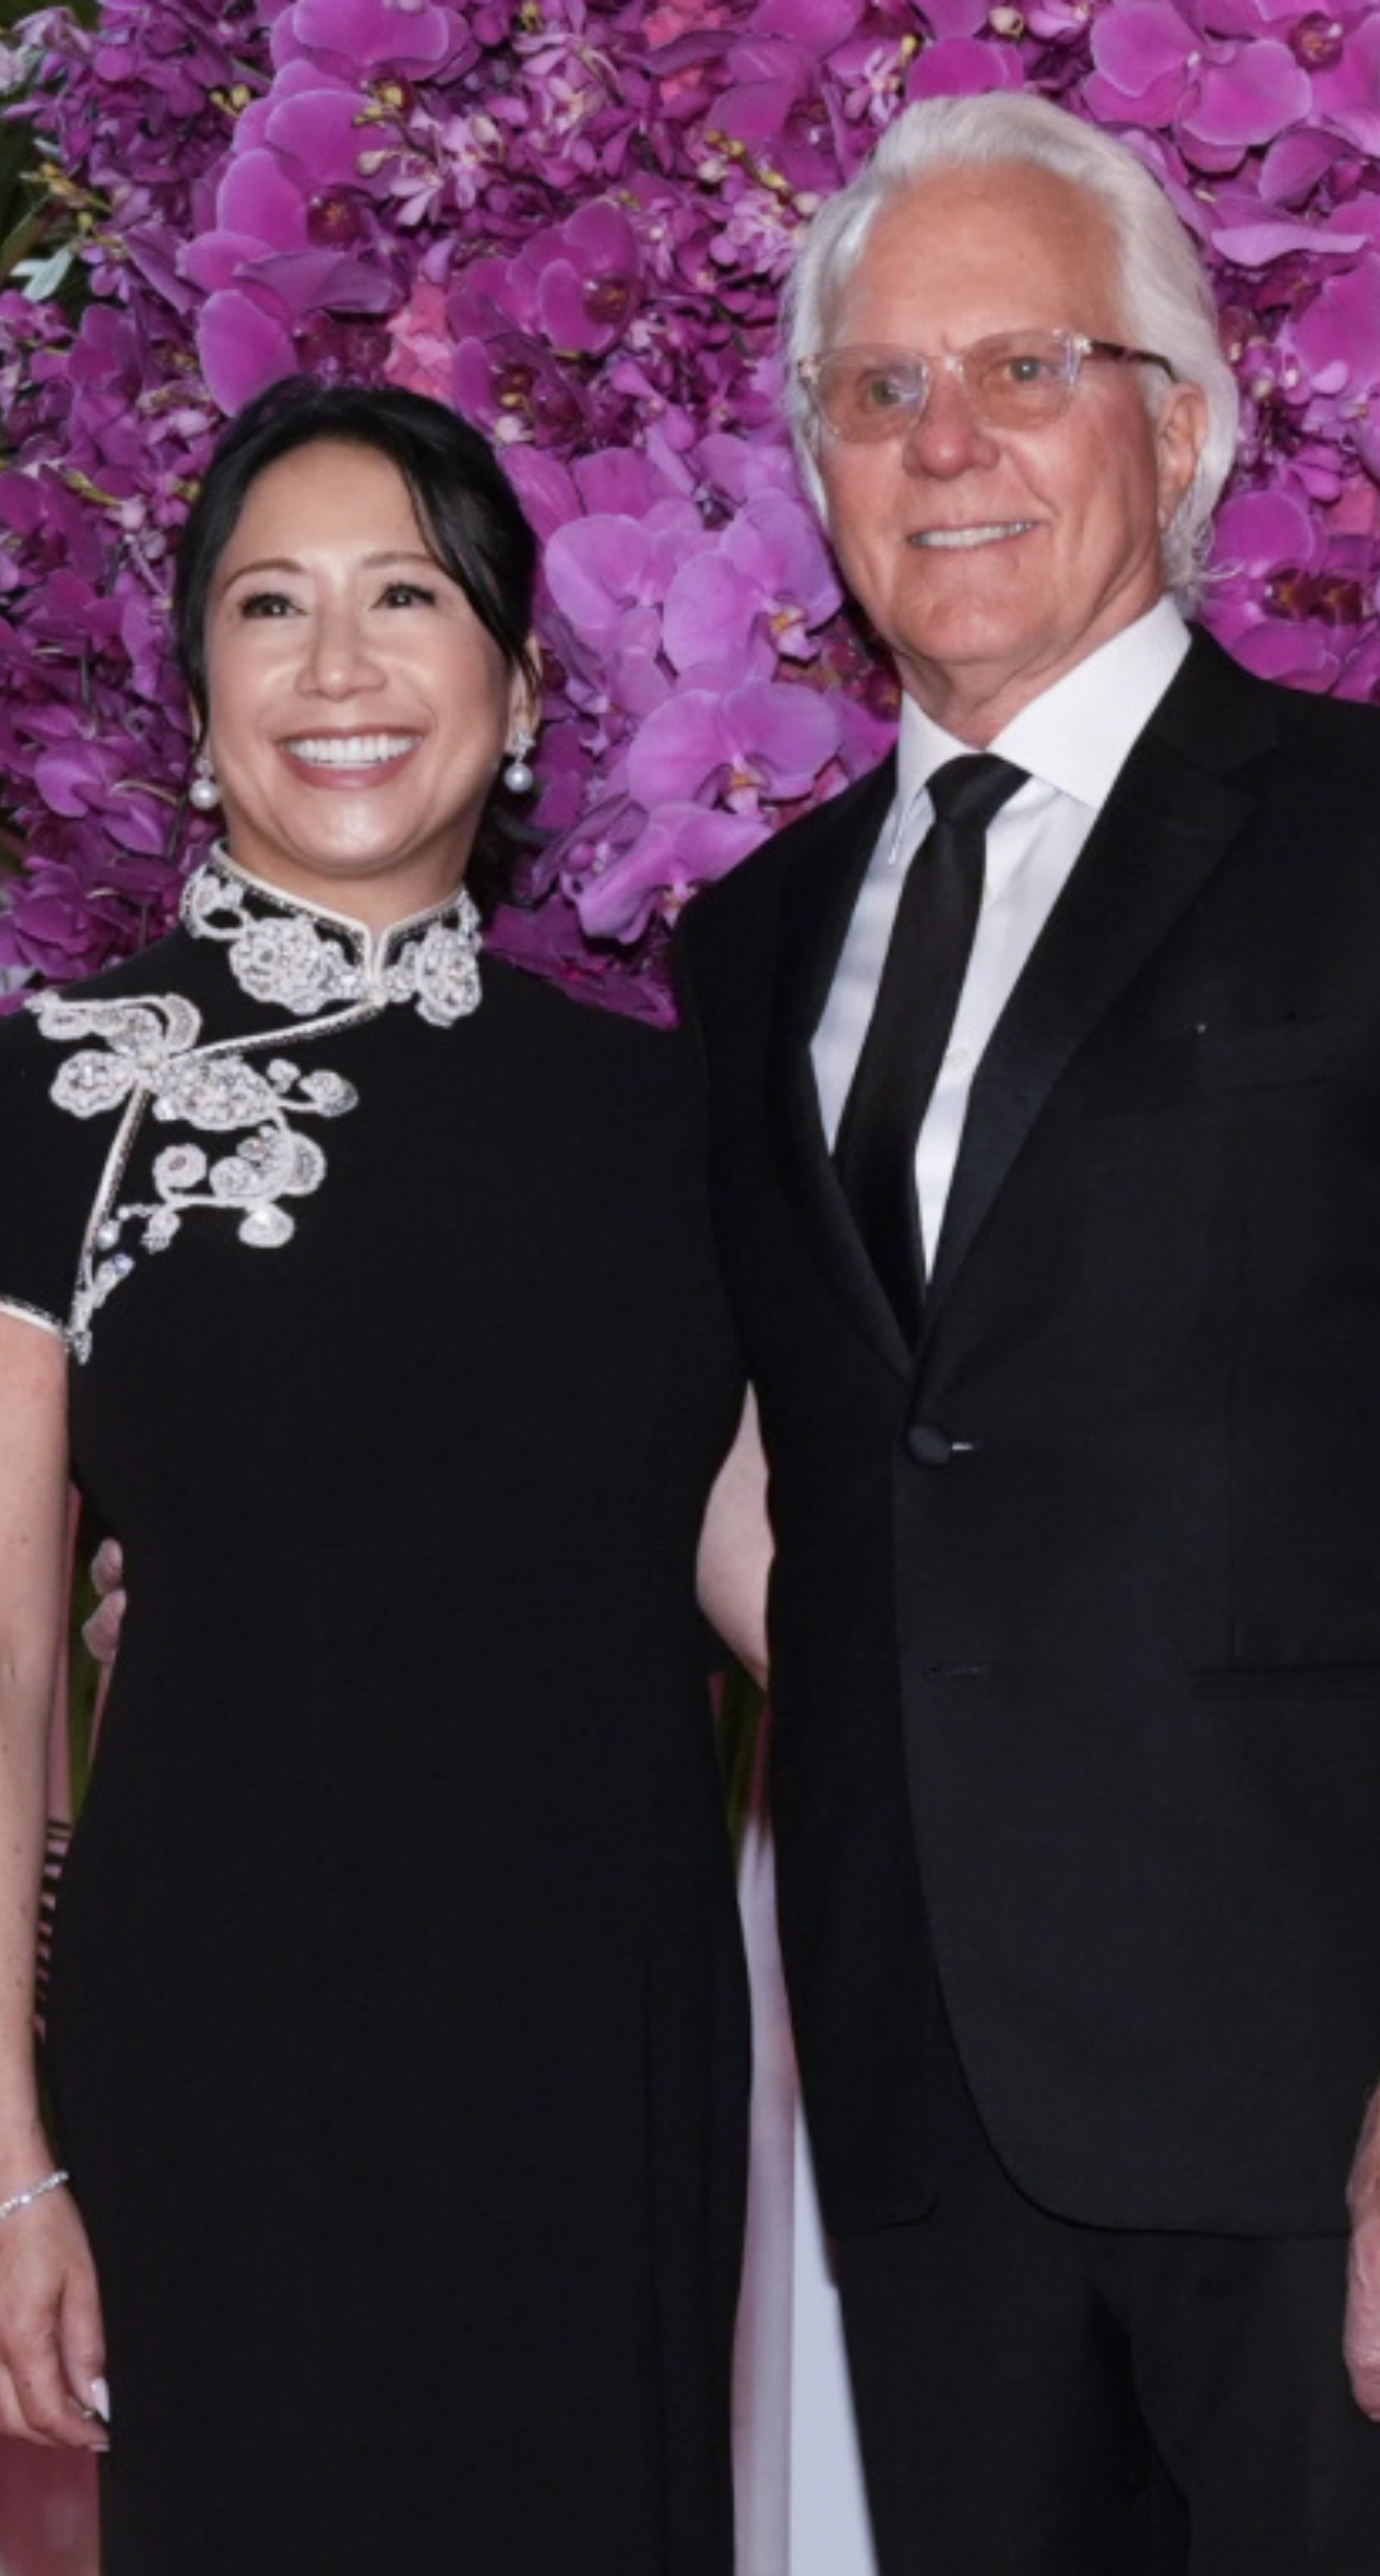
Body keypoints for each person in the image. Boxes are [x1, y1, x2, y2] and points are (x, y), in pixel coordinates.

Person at [673, 92, 1380, 2575]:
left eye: (1024, 368)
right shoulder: (751, 946)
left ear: (1187, 414)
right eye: (878, 392)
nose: (946, 447)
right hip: (928, 2123)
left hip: (1347, 2126)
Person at [0, 380, 761, 2574]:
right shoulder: (61, 1090)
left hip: (600, 2062)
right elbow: (9, 1669)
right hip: (228, 2056)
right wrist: (10, 2154)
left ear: (518, 690)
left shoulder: (661, 1123)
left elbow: (788, 1579)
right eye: (271, 605)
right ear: (201, 685)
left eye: (405, 599)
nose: (339, 667)